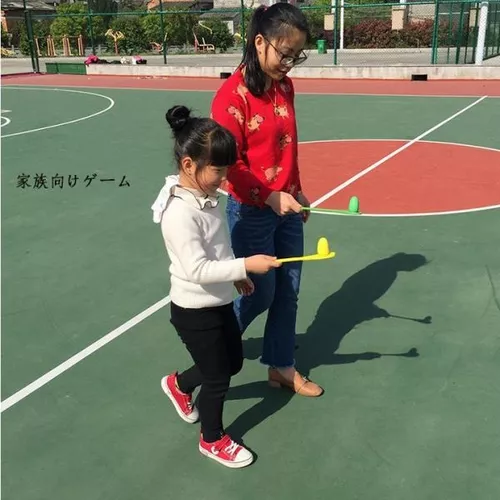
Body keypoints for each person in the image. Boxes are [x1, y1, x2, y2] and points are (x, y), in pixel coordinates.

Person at [151, 104, 281, 469]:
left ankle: (178, 384)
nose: (225, 178)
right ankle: (212, 439)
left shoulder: (206, 199)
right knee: (218, 377)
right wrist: (247, 264)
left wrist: (237, 276)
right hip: (194, 311)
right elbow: (195, 268)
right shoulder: (180, 213)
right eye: (218, 169)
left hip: (219, 301)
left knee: (233, 362)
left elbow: (218, 248)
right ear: (189, 165)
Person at [211, 3, 323, 397]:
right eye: (284, 53)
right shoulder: (231, 98)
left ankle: (281, 366)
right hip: (252, 211)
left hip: (286, 206)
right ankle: (211, 357)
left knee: (288, 290)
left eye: (297, 56)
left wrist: (296, 188)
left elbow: (285, 145)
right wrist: (269, 195)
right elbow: (231, 167)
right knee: (260, 293)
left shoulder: (285, 86)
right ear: (259, 42)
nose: (290, 63)